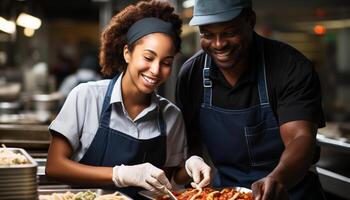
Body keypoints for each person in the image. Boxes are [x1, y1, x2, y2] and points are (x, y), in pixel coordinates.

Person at [45, 0, 211, 198]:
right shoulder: (86, 97)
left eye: (166, 62)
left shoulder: (171, 116)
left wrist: (190, 165)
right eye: (148, 58)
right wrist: (120, 174)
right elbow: (54, 166)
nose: (156, 70)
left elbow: (169, 179)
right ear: (127, 53)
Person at [175, 0, 326, 199]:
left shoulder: (290, 67)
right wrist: (193, 164)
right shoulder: (191, 74)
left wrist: (278, 179)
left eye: (229, 32)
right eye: (208, 34)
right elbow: (189, 144)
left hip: (291, 191)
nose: (219, 44)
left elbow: (301, 138)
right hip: (229, 194)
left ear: (250, 20)